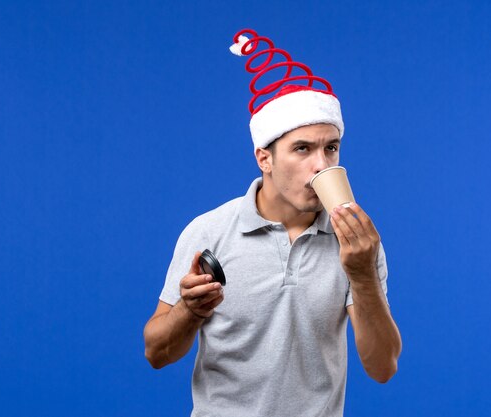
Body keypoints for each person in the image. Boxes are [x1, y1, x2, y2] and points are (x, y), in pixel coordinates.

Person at [143, 29, 402, 417]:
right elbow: (156, 353)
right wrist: (190, 311)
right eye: (302, 148)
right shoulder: (209, 231)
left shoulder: (359, 243)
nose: (322, 164)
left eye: (331, 147)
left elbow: (382, 368)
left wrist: (362, 275)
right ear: (264, 158)